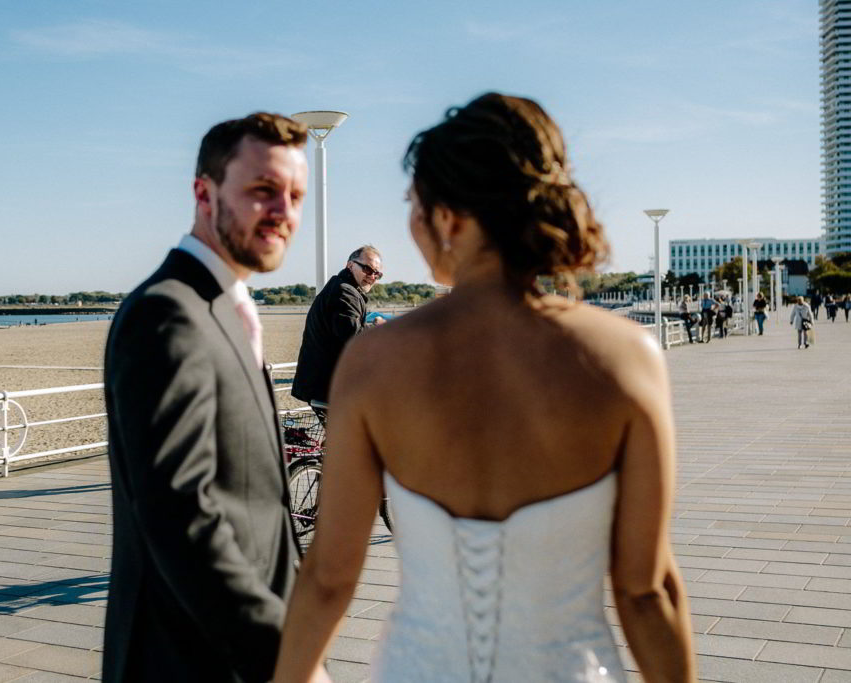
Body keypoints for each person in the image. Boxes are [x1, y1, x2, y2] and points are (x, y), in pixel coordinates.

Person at [274, 93, 695, 682]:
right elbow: (646, 591)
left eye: (414, 206)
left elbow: (328, 579)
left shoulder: (377, 362)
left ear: (447, 217)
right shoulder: (625, 358)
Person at [102, 112, 315, 683]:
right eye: (263, 191)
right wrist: (285, 657)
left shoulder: (225, 305)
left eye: (295, 195)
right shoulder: (168, 314)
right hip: (184, 661)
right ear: (204, 192)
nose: (284, 212)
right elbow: (180, 516)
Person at [291, 245, 383, 412]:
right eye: (368, 269)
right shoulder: (344, 292)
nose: (372, 277)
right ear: (350, 265)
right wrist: (381, 329)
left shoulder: (345, 288)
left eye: (377, 273)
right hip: (327, 388)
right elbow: (354, 336)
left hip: (326, 386)